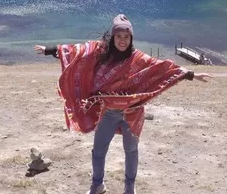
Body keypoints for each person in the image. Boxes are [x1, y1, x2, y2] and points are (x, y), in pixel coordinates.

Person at [34, 14, 213, 194]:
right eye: (119, 36)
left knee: (131, 151)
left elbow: (162, 68)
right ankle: (97, 185)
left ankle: (129, 189)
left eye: (126, 37)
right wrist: (50, 50)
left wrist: (190, 74)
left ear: (131, 38)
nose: (122, 40)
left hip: (132, 114)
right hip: (107, 112)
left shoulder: (138, 58)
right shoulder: (100, 52)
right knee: (98, 151)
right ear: (113, 37)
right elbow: (77, 53)